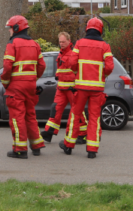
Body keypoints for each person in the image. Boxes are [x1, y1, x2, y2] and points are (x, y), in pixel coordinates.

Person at [60, 18, 114, 159]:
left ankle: (68, 145)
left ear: (87, 28)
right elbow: (109, 67)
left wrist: (78, 72)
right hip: (97, 89)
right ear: (100, 29)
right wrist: (102, 74)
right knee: (95, 118)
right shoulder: (105, 46)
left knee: (75, 115)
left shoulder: (79, 43)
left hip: (81, 88)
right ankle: (92, 149)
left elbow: (72, 62)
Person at [1, 15, 46, 159]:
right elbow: (42, 65)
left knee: (17, 117)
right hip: (30, 85)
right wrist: (33, 78)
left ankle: (20, 149)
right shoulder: (35, 44)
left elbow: (7, 67)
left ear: (16, 28)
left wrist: (5, 82)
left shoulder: (12, 44)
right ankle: (36, 145)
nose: (9, 31)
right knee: (30, 116)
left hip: (16, 86)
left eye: (10, 28)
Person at [41, 32, 88, 144]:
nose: (61, 44)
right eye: (60, 42)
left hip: (72, 88)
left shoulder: (73, 54)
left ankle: (83, 134)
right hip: (61, 88)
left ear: (69, 41)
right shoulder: (61, 54)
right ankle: (49, 132)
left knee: (78, 112)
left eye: (63, 42)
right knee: (55, 110)